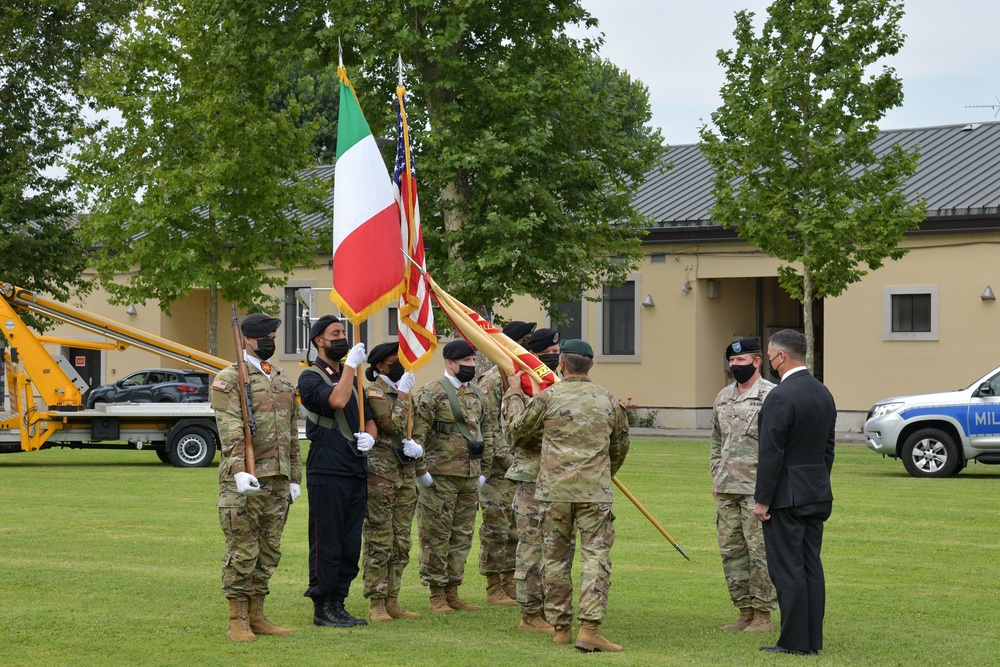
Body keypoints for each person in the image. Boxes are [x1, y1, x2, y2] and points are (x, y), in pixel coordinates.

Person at [506, 339, 630, 652]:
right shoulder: (607, 400)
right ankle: (589, 628)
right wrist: (604, 474)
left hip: (553, 492)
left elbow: (517, 432)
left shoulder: (548, 396)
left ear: (561, 364)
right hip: (593, 492)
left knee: (555, 558)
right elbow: (620, 446)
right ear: (592, 364)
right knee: (595, 557)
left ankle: (561, 626)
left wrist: (514, 395)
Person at [212, 312, 301, 642]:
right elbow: (230, 427)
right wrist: (238, 471)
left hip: (277, 480)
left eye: (274, 336)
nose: (271, 342)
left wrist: (294, 477)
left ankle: (257, 614)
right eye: (266, 336)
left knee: (269, 551)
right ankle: (237, 618)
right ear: (248, 339)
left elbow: (292, 431)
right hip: (244, 481)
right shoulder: (230, 378)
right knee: (243, 550)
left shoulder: (281, 378)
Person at [753, 329, 837, 656]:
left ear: (781, 356)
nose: (771, 363)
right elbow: (827, 448)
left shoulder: (780, 396)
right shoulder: (822, 393)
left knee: (787, 569)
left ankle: (793, 642)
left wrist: (762, 500)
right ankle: (811, 640)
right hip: (815, 491)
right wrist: (817, 481)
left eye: (771, 357)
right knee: (810, 566)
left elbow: (771, 452)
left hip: (786, 497)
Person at [298, 315, 376, 628]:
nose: (342, 337)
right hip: (327, 470)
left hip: (355, 469)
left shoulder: (353, 377)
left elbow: (368, 416)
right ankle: (322, 606)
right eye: (336, 333)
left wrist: (370, 436)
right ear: (319, 340)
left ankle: (339, 602)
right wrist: (350, 367)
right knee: (327, 541)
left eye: (344, 331)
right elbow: (337, 400)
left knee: (349, 544)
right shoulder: (311, 377)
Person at [410, 339, 495, 613]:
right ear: (450, 363)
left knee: (461, 536)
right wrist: (421, 472)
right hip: (440, 476)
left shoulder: (477, 394)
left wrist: (485, 470)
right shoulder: (431, 393)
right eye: (466, 362)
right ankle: (436, 594)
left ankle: (452, 590)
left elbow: (488, 433)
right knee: (436, 536)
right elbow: (416, 437)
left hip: (469, 476)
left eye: (473, 361)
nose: (471, 365)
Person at [711, 338, 777, 633]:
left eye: (742, 361)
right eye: (733, 361)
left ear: (757, 361)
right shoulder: (723, 397)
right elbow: (716, 442)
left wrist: (770, 490)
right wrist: (717, 474)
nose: (736, 366)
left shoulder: (771, 396)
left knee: (759, 552)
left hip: (756, 490)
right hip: (726, 489)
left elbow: (777, 447)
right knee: (731, 551)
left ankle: (763, 614)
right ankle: (744, 611)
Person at [499, 328, 562, 633]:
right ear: (533, 357)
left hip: (562, 478)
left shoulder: (559, 386)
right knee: (531, 547)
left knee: (557, 546)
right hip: (532, 478)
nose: (555, 358)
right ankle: (530, 613)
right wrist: (512, 392)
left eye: (558, 353)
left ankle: (552, 607)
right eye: (549, 355)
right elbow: (513, 431)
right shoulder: (523, 387)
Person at [473, 321, 536, 607]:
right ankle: (493, 584)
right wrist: (511, 459)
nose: (528, 345)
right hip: (499, 470)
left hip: (519, 467)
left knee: (515, 530)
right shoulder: (493, 380)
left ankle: (509, 580)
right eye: (523, 340)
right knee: (496, 529)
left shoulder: (523, 378)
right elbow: (488, 426)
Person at [360, 342, 423, 622]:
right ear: (380, 366)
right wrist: (403, 394)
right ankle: (376, 602)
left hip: (405, 474)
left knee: (401, 541)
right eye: (394, 361)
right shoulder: (375, 392)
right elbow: (392, 425)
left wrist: (418, 447)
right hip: (381, 475)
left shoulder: (404, 391)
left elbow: (415, 427)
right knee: (379, 539)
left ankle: (393, 599)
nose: (400, 366)